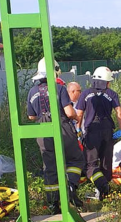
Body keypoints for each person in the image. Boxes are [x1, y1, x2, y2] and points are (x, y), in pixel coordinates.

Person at [27, 57, 85, 213]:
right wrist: (76, 117)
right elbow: (68, 111)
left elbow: (31, 117)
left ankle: (53, 205)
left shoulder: (32, 91)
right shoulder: (59, 88)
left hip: (43, 132)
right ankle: (72, 186)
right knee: (75, 158)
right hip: (62, 128)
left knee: (50, 167)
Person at [75, 66, 121, 200]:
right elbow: (119, 112)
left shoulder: (85, 94)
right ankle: (105, 192)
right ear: (106, 82)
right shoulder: (112, 94)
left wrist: (78, 130)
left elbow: (79, 114)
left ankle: (101, 187)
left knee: (90, 164)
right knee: (106, 162)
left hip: (92, 131)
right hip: (108, 131)